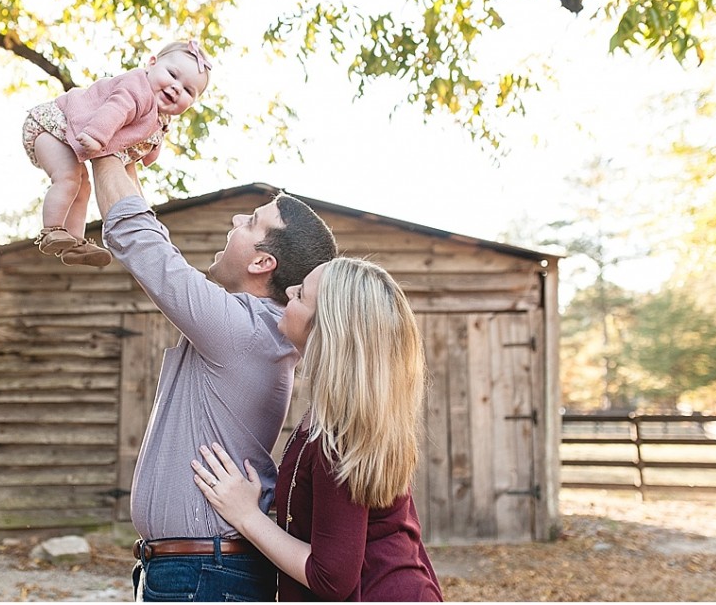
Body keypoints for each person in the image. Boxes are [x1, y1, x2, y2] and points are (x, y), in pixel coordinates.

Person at [88, 154, 339, 601]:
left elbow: (143, 244)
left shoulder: (244, 331)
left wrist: (102, 144)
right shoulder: (252, 329)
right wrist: (127, 159)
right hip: (200, 569)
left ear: (263, 263)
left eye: (253, 221)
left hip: (206, 574)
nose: (237, 217)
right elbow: (149, 238)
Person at [192, 257, 443, 602]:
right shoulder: (334, 417)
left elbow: (331, 577)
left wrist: (247, 516)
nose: (290, 289)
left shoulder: (341, 436)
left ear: (326, 329)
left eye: (301, 295)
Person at [22, 39, 212, 266]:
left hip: (67, 137)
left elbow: (149, 137)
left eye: (189, 91)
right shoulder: (136, 88)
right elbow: (115, 110)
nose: (176, 87)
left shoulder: (161, 115)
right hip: (51, 126)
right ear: (152, 63)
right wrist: (96, 136)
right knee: (68, 177)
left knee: (83, 187)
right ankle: (51, 231)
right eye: (172, 74)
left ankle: (73, 243)